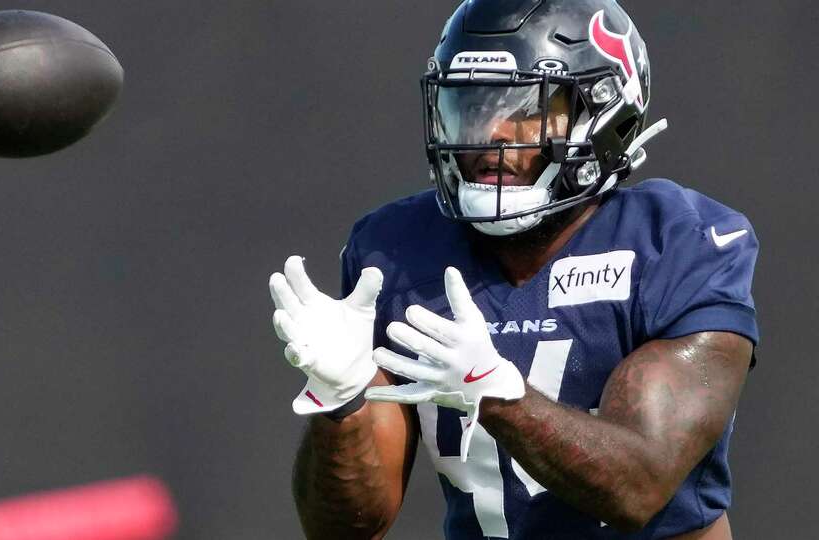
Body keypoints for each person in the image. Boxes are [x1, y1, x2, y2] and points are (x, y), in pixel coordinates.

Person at [268, 0, 758, 538]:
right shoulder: (395, 253)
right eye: (473, 107)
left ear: (603, 110)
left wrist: (498, 393)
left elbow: (639, 487)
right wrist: (342, 402)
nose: (492, 132)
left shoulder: (676, 243)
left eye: (526, 106)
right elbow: (345, 529)